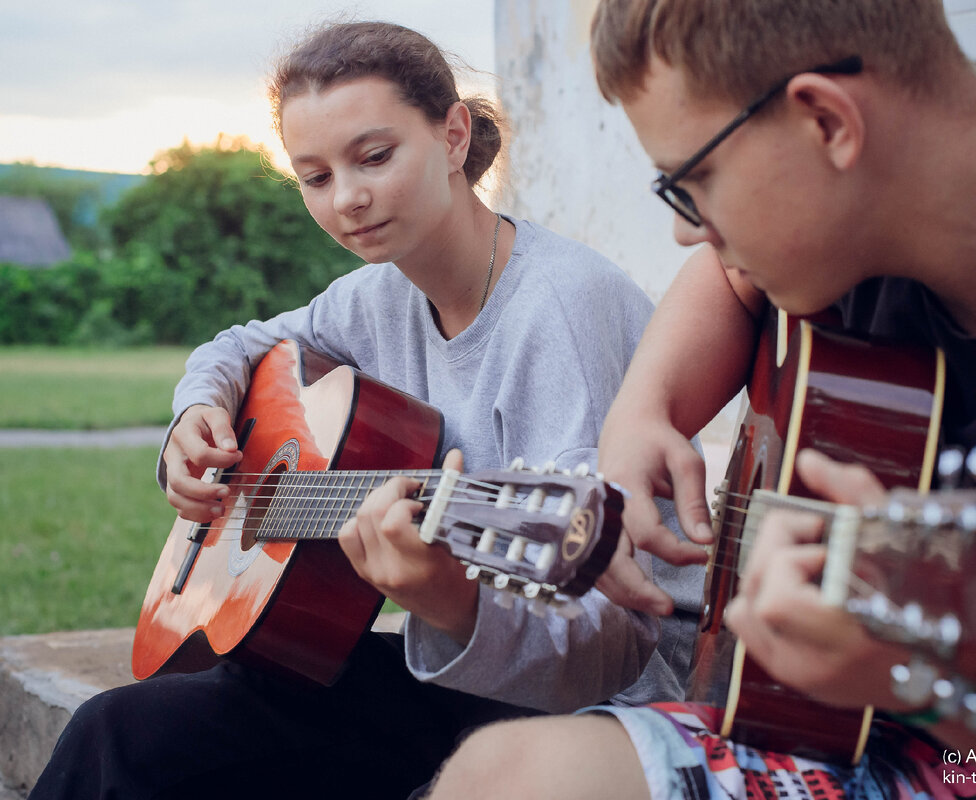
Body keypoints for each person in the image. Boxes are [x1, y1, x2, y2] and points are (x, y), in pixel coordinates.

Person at [423, 1, 976, 798]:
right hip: (850, 725)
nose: (688, 234)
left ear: (827, 122)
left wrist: (921, 672)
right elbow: (729, 278)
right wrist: (641, 409)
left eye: (694, 187)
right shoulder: (866, 220)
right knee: (505, 775)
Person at [30, 20, 702, 800]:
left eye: (374, 157)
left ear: (454, 136)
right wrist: (194, 414)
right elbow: (241, 344)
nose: (347, 198)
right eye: (314, 177)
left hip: (603, 705)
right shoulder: (374, 296)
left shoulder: (561, 310)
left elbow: (609, 643)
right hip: (465, 675)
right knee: (117, 735)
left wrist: (449, 600)